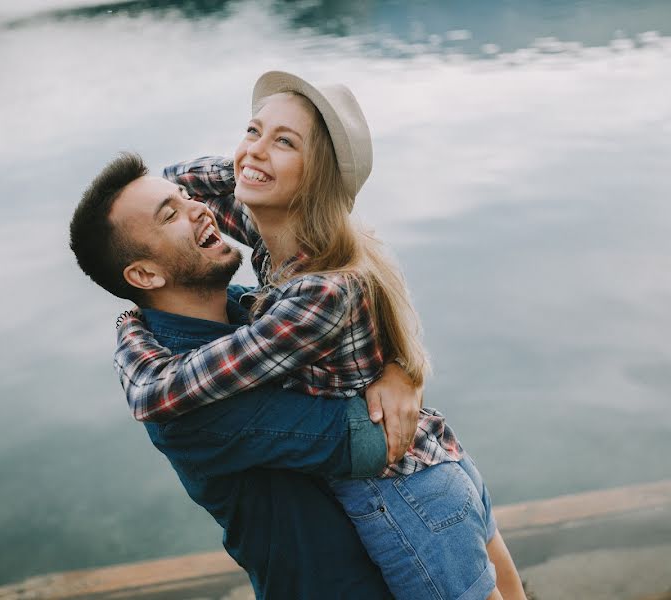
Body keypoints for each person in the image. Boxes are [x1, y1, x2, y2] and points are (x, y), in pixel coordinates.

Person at [113, 71, 528, 600]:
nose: (255, 149)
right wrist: (252, 166)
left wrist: (129, 324)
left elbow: (163, 392)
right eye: (252, 131)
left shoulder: (320, 293)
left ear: (316, 180)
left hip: (403, 497)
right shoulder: (281, 242)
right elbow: (170, 183)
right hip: (439, 456)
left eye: (284, 142)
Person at [70, 152, 428, 598]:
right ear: (144, 273)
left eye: (186, 198)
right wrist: (396, 373)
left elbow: (355, 304)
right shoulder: (189, 407)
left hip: (387, 562)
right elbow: (377, 440)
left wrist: (400, 368)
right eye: (171, 215)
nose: (199, 208)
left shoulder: (244, 307)